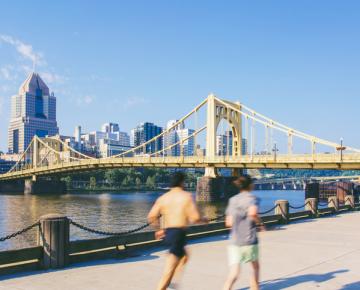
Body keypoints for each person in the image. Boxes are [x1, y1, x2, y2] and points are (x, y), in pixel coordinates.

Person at [148, 172, 203, 290]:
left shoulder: (163, 198)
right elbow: (196, 217)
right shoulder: (186, 196)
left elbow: (152, 216)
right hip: (179, 234)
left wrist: (159, 229)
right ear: (182, 182)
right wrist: (204, 219)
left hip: (169, 233)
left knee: (185, 256)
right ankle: (170, 282)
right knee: (167, 273)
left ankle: (173, 282)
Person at [222, 175, 265, 290]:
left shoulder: (233, 200)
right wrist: (260, 224)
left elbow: (229, 223)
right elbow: (253, 213)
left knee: (234, 273)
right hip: (249, 240)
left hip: (234, 241)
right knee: (255, 267)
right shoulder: (252, 198)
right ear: (251, 185)